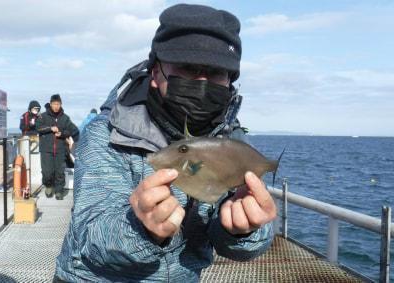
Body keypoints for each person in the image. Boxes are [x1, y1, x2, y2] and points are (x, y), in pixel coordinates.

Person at [55, 4, 276, 282]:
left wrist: (244, 230)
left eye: (217, 72)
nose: (202, 81)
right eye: (188, 68)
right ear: (155, 72)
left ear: (230, 81)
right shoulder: (108, 133)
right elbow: (89, 237)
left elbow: (230, 243)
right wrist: (141, 228)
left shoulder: (229, 140)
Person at [36, 94, 79, 200]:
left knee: (60, 172)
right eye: (54, 104)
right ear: (50, 104)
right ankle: (49, 186)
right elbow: (38, 128)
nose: (56, 106)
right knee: (47, 172)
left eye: (58, 104)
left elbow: (74, 130)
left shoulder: (65, 118)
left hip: (61, 149)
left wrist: (63, 134)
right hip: (46, 149)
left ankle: (59, 191)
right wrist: (50, 128)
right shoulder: (43, 116)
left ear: (61, 104)